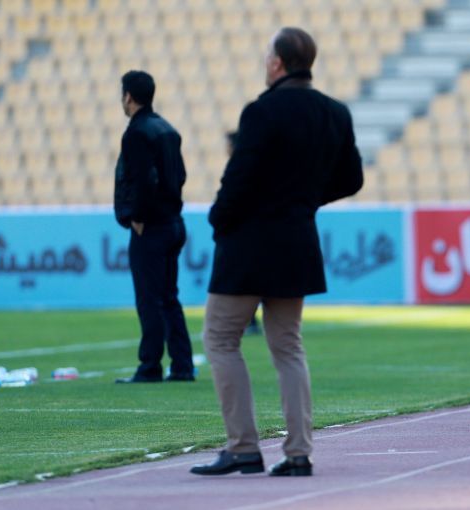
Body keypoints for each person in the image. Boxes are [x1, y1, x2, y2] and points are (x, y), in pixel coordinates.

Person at [190, 27, 362, 477]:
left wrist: (219, 219)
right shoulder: (334, 111)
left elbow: (239, 177)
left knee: (220, 339)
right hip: (297, 240)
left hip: (248, 243)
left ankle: (243, 447)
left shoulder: (262, 111)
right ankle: (299, 452)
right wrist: (302, 202)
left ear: (277, 63)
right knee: (288, 347)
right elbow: (352, 179)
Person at [114, 70, 195, 383]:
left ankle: (150, 366)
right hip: (174, 223)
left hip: (152, 227)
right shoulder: (167, 129)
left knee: (149, 298)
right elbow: (181, 175)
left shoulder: (136, 133)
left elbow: (144, 180)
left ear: (129, 96)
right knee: (169, 297)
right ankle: (182, 365)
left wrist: (138, 216)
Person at [225, 130, 260, 336]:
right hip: (250, 232)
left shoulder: (241, 169)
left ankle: (249, 321)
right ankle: (250, 320)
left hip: (245, 234)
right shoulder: (251, 166)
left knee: (247, 281)